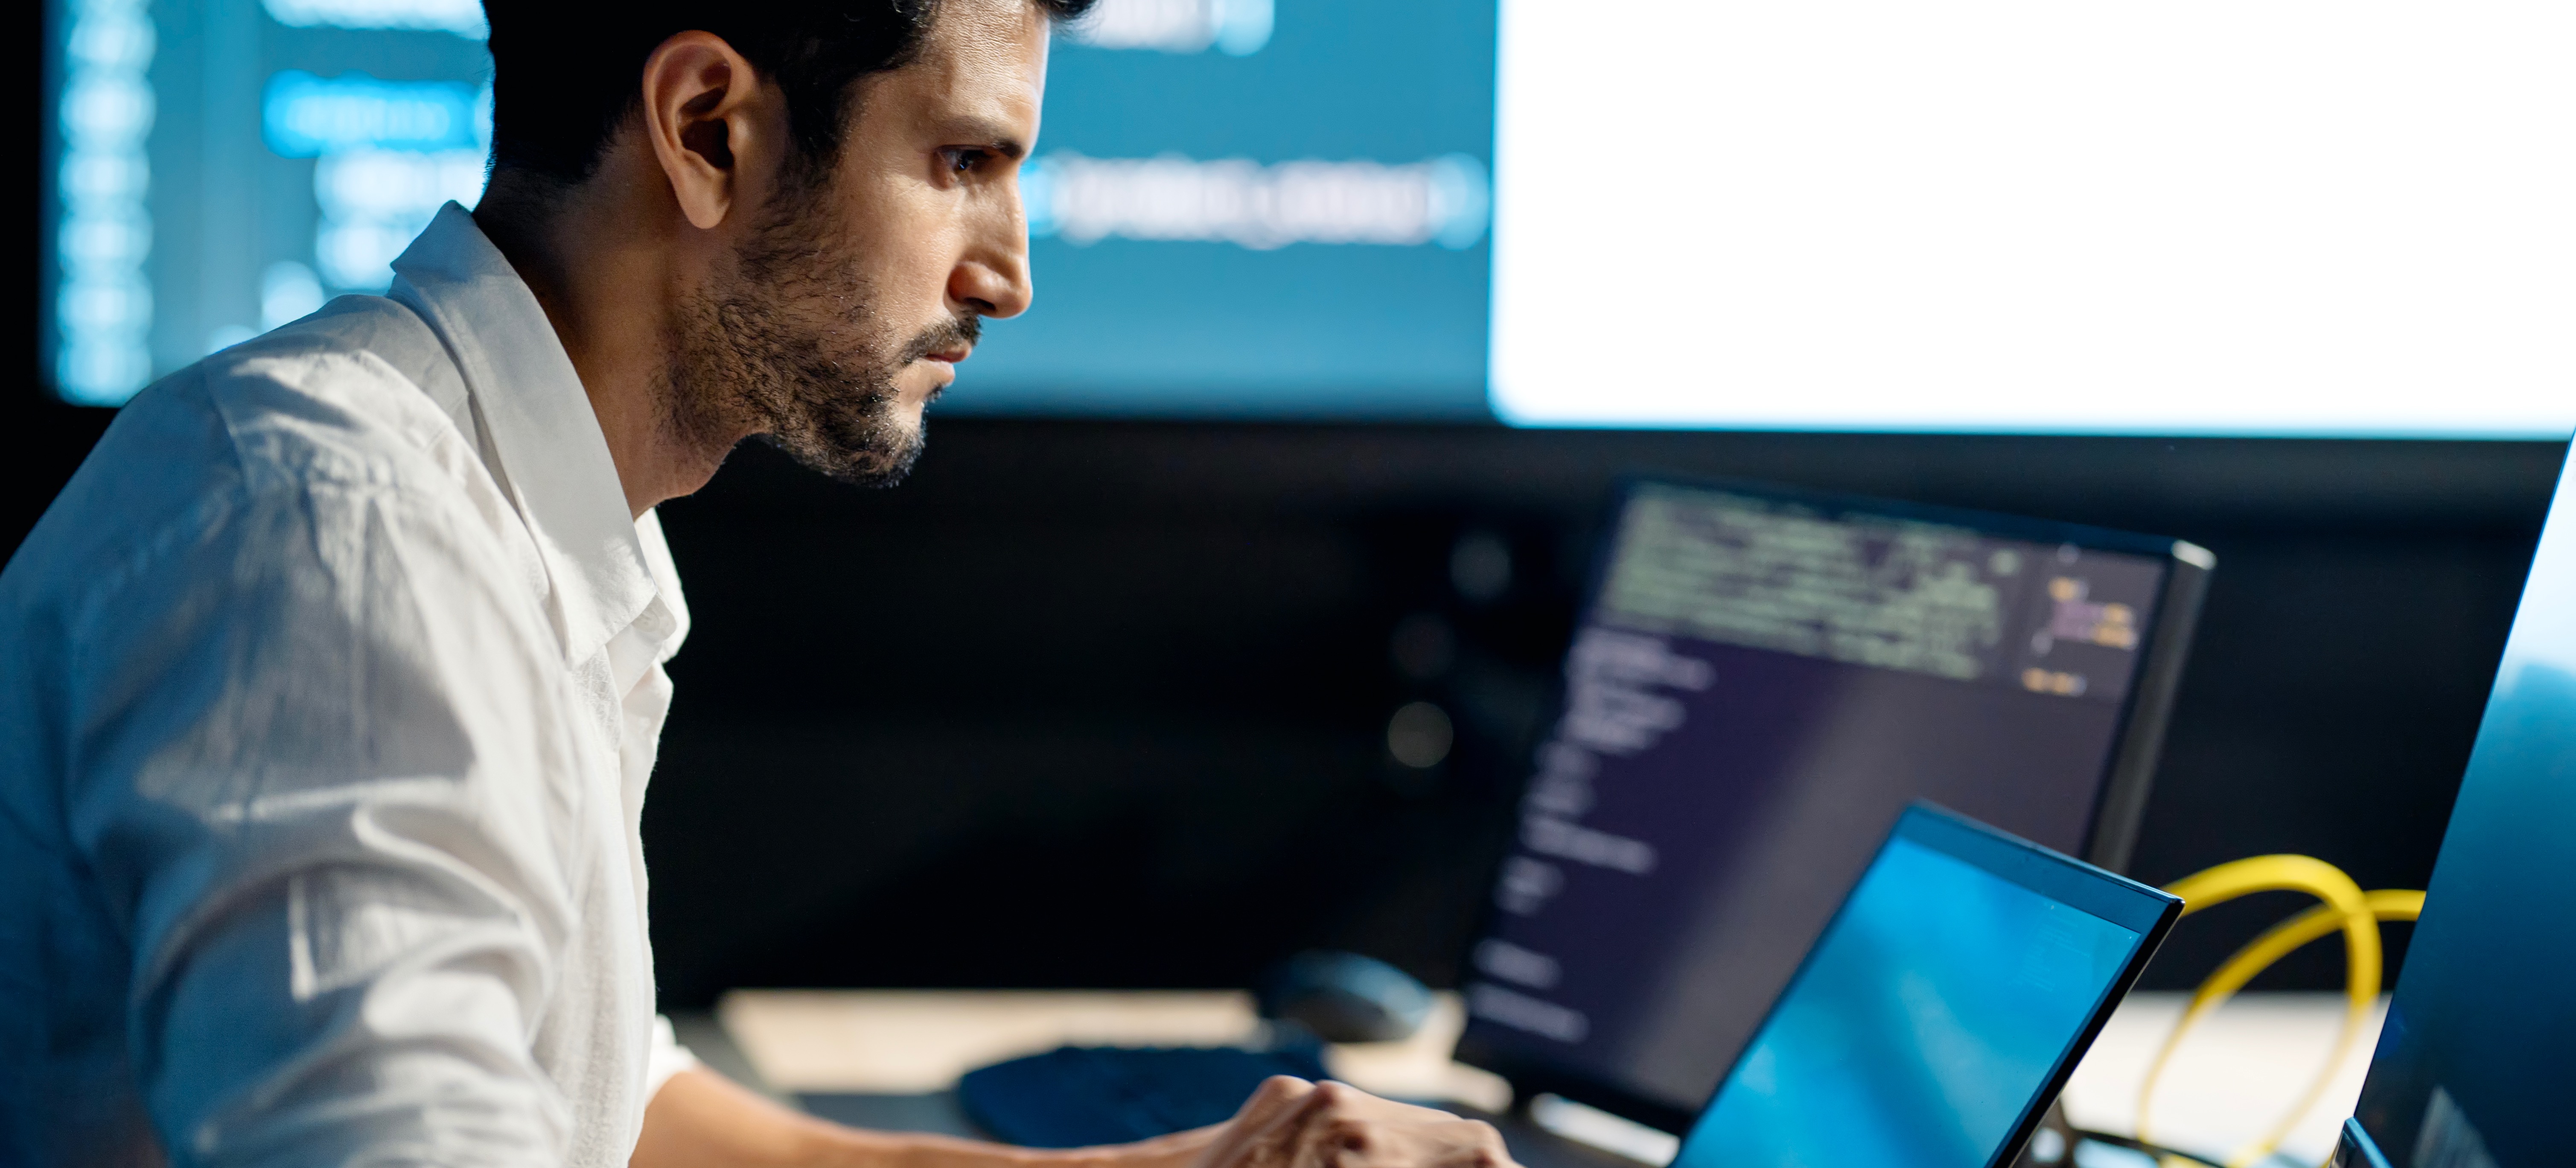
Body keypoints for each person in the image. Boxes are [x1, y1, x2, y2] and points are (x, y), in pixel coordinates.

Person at [0, 1, 1523, 1166]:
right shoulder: (339, 529)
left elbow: (620, 1112)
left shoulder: (504, 510)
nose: (1007, 271)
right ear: (710, 127)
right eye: (961, 164)